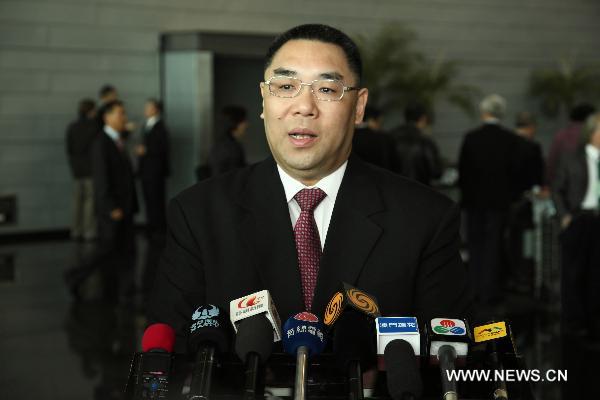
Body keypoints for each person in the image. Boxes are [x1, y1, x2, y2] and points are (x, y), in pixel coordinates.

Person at [148, 24, 471, 353]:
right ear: (264, 100)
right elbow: (171, 356)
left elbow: (450, 361)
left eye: (327, 90)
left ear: (358, 107)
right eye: (286, 86)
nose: (304, 107)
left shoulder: (424, 219)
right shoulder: (198, 213)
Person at [64, 100, 138, 302]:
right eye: (120, 113)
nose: (124, 117)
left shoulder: (117, 140)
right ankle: (75, 275)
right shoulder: (101, 143)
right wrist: (110, 206)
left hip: (125, 206)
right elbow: (102, 178)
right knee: (106, 248)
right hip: (113, 208)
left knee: (125, 249)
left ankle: (126, 287)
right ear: (108, 117)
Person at [458, 94, 521, 309]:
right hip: (499, 203)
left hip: (474, 202)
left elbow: (463, 173)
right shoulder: (510, 139)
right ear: (501, 113)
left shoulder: (471, 137)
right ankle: (490, 292)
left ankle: (473, 289)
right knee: (494, 246)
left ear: (483, 112)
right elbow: (515, 173)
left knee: (475, 246)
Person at [552, 112, 600, 336]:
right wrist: (564, 215)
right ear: (592, 133)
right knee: (574, 273)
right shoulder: (571, 157)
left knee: (595, 272)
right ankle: (574, 321)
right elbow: (557, 189)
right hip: (579, 219)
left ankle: (594, 319)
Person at [136, 99, 170, 237]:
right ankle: (152, 226)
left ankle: (157, 228)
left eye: (149, 107)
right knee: (149, 198)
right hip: (147, 170)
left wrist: (146, 150)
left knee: (156, 199)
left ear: (156, 109)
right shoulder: (147, 125)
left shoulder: (160, 127)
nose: (146, 109)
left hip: (155, 170)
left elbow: (163, 148)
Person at [66, 98, 98, 241]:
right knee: (89, 202)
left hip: (77, 170)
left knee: (77, 201)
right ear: (92, 111)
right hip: (91, 170)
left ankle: (75, 230)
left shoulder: (72, 127)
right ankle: (88, 231)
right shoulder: (95, 127)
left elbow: (69, 150)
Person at [390, 103, 442, 186]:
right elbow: (436, 172)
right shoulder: (424, 141)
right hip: (420, 190)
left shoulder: (390, 137)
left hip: (394, 189)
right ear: (423, 118)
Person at [547, 103, 596, 184]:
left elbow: (552, 161)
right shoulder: (592, 135)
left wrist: (548, 182)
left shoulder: (561, 136)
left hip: (564, 183)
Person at [208, 105, 248, 175]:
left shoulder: (220, 144)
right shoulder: (232, 148)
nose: (246, 125)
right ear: (236, 123)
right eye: (243, 121)